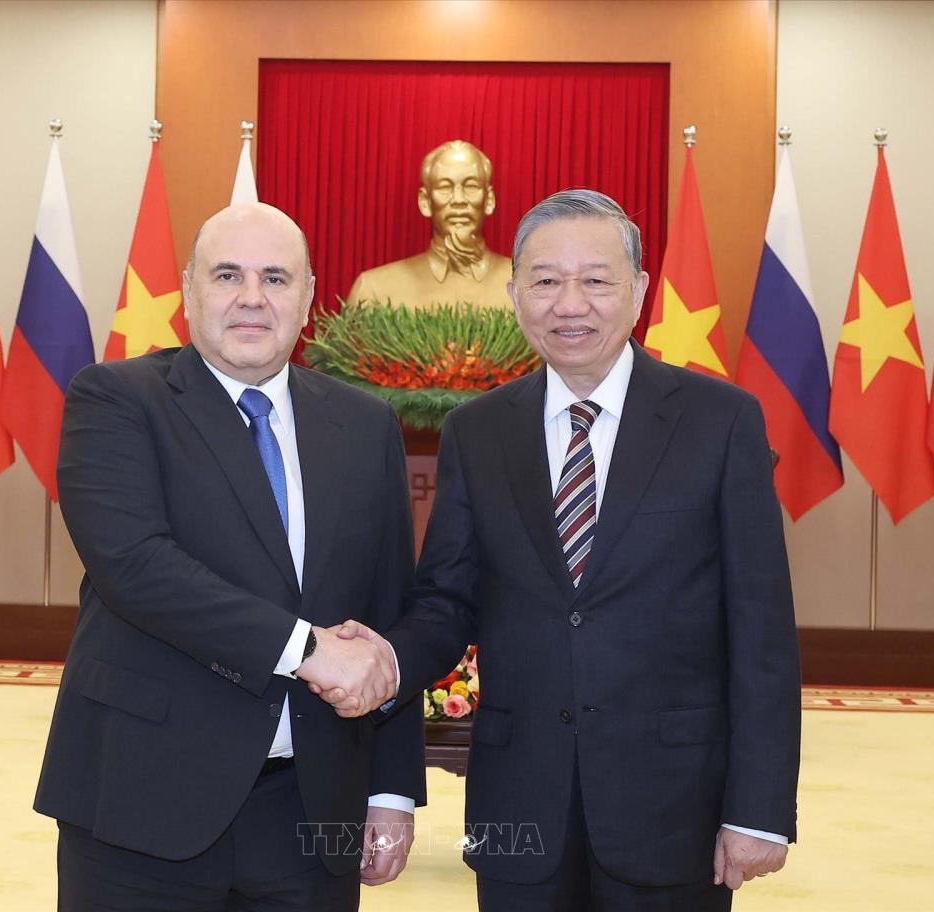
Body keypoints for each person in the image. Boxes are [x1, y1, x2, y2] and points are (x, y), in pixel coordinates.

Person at [323, 190, 801, 911]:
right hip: (519, 803)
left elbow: (762, 630)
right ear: (515, 296)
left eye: (596, 280)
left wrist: (758, 809)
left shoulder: (720, 421)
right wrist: (388, 659)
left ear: (638, 289)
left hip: (673, 803)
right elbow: (448, 601)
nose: (569, 304)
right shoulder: (479, 431)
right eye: (546, 281)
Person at [34, 202, 425, 910]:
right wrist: (308, 650)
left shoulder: (366, 424)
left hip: (311, 812)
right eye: (227, 275)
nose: (252, 297)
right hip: (142, 802)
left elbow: (386, 609)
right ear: (189, 290)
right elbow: (137, 568)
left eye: (275, 277)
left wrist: (391, 792)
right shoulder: (117, 400)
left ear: (308, 297)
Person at [346, 139, 512, 309]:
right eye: (444, 187)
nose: (458, 200)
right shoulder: (373, 292)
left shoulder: (524, 286)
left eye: (471, 186)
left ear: (489, 200)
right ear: (425, 201)